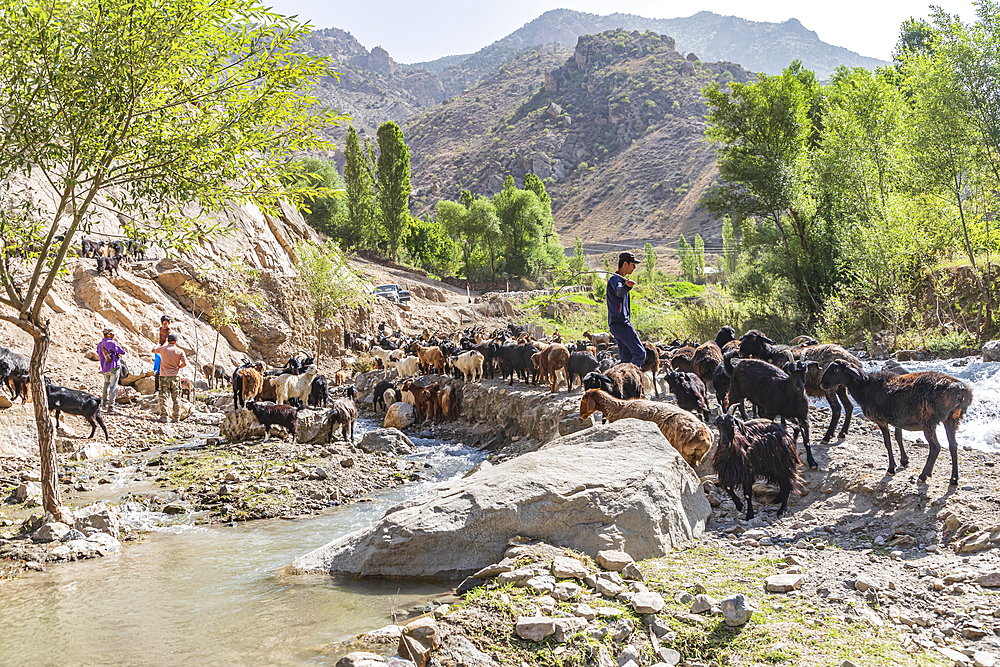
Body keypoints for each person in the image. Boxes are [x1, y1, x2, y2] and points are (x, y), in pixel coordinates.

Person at [606, 251, 646, 368]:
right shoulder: (616, 280)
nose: (634, 267)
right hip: (621, 323)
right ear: (625, 264)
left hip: (616, 325)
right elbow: (619, 291)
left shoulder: (621, 280)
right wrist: (627, 287)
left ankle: (624, 381)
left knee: (626, 358)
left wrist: (626, 285)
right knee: (640, 354)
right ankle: (630, 375)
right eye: (632, 264)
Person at [152, 332, 187, 423]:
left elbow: (153, 350)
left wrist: (157, 345)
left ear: (168, 341)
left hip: (164, 377)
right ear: (175, 341)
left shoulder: (163, 349)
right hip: (175, 377)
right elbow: (185, 363)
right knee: (176, 397)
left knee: (164, 396)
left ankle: (164, 417)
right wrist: (179, 367)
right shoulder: (180, 351)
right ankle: (176, 417)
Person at [97, 327, 127, 414]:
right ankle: (111, 407)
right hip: (113, 367)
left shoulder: (100, 344)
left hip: (104, 368)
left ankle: (103, 403)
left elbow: (99, 353)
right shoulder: (112, 343)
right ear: (109, 334)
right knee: (113, 386)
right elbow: (123, 351)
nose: (113, 336)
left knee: (106, 384)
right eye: (112, 334)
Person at [155, 315, 172, 392]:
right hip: (161, 349)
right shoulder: (161, 329)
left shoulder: (169, 331)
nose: (165, 325)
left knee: (165, 368)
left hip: (166, 349)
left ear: (169, 323)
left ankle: (165, 388)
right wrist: (157, 346)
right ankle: (157, 388)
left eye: (166, 323)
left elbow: (166, 341)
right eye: (163, 323)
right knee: (158, 369)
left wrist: (160, 348)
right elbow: (160, 340)